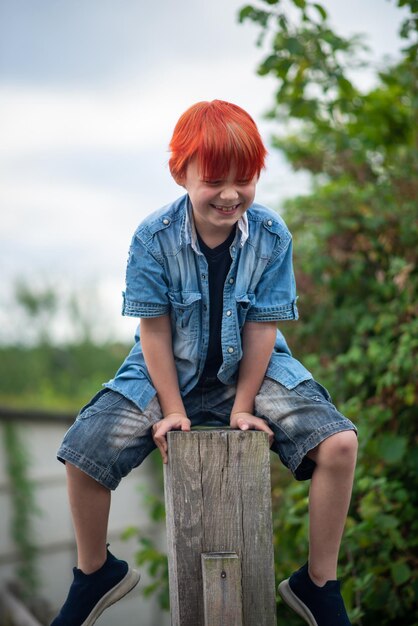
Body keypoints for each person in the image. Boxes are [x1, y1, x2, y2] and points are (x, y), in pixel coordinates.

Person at [51, 100, 358, 626]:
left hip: (252, 371)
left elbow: (263, 327)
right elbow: (155, 330)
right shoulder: (153, 237)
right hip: (167, 368)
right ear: (182, 173)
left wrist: (243, 406)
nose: (231, 194)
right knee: (82, 450)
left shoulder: (271, 235)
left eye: (245, 179)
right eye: (215, 180)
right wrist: (171, 410)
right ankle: (94, 571)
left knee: (340, 443)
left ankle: (318, 583)